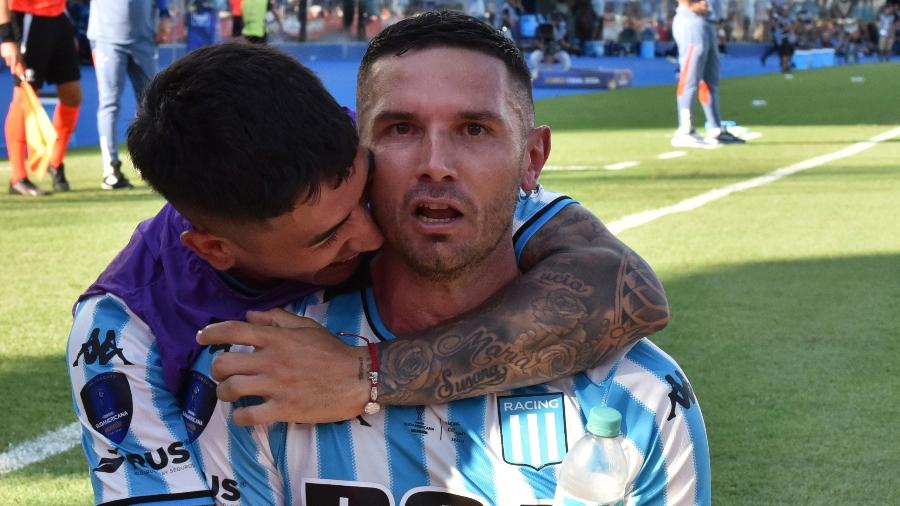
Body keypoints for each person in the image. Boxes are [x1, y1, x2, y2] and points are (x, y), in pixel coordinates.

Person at [67, 42, 670, 503]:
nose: (372, 232)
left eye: (364, 196)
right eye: (329, 237)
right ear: (217, 251)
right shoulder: (122, 336)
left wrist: (366, 375)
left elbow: (630, 295)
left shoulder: (392, 167)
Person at [88, 0, 172, 191]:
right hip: (107, 36)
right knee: (109, 102)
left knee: (153, 102)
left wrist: (165, 14)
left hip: (143, 35)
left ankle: (150, 163)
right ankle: (111, 168)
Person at [1, 0, 81, 196]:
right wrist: (7, 37)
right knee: (24, 95)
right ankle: (18, 177)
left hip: (58, 18)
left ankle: (54, 162)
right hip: (27, 19)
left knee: (72, 95)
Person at [670, 0, 744, 148]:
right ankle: (685, 130)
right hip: (691, 20)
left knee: (711, 80)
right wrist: (690, 5)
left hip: (707, 23)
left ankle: (715, 128)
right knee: (690, 79)